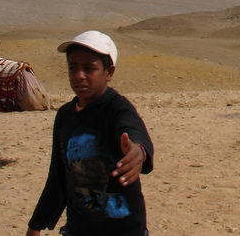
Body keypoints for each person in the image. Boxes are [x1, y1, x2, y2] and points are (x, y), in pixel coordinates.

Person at [26, 31, 154, 236]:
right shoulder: (65, 116)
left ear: (109, 72)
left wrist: (139, 151)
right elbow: (59, 176)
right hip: (79, 228)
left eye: (89, 69)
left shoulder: (117, 109)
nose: (79, 76)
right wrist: (37, 224)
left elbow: (133, 130)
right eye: (73, 68)